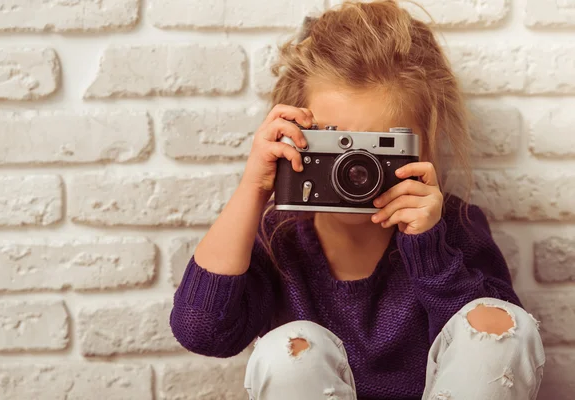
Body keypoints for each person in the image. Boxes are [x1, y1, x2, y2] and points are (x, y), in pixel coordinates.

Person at [169, 1, 545, 399]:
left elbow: (503, 347)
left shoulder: (454, 228)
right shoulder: (278, 237)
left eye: (376, 147)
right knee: (291, 346)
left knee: (499, 321)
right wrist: (255, 187)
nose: (352, 169)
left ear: (423, 145)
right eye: (333, 143)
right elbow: (202, 331)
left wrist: (430, 251)